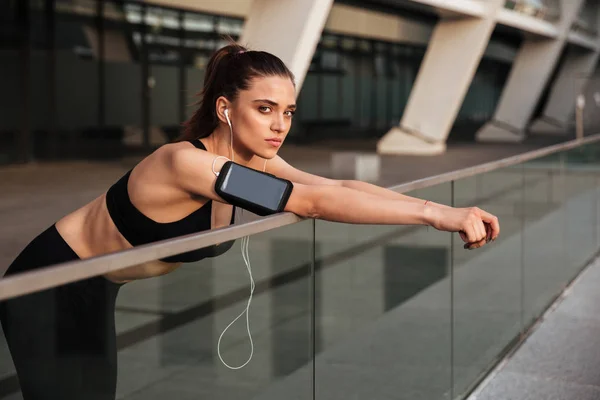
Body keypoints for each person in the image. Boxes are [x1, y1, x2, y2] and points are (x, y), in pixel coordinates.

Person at [0, 42, 500, 400]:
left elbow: (333, 189)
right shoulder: (189, 165)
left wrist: (445, 209)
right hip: (46, 285)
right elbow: (311, 204)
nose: (280, 124)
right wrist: (436, 216)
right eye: (265, 109)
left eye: (287, 111)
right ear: (226, 108)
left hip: (97, 287)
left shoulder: (253, 164)